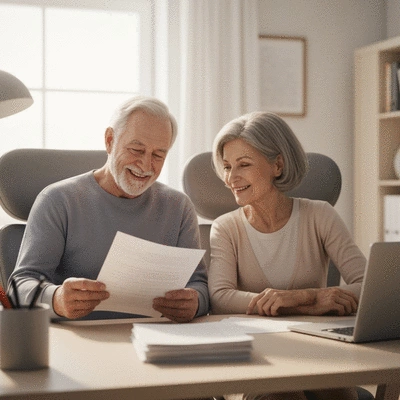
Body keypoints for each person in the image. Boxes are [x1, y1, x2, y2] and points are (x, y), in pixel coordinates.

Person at [9, 95, 209, 323]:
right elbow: (18, 288)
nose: (145, 165)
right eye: (136, 149)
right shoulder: (57, 201)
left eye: (158, 155)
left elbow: (199, 285)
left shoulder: (179, 207)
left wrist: (195, 302)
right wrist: (55, 298)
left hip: (157, 337)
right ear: (109, 140)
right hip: (80, 338)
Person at [208, 111, 365, 400]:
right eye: (228, 166)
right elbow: (220, 298)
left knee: (338, 392)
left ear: (277, 165)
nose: (232, 177)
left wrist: (298, 297)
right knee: (282, 394)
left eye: (244, 164)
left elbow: (368, 287)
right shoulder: (226, 228)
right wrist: (310, 301)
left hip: (318, 350)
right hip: (254, 356)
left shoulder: (320, 215)